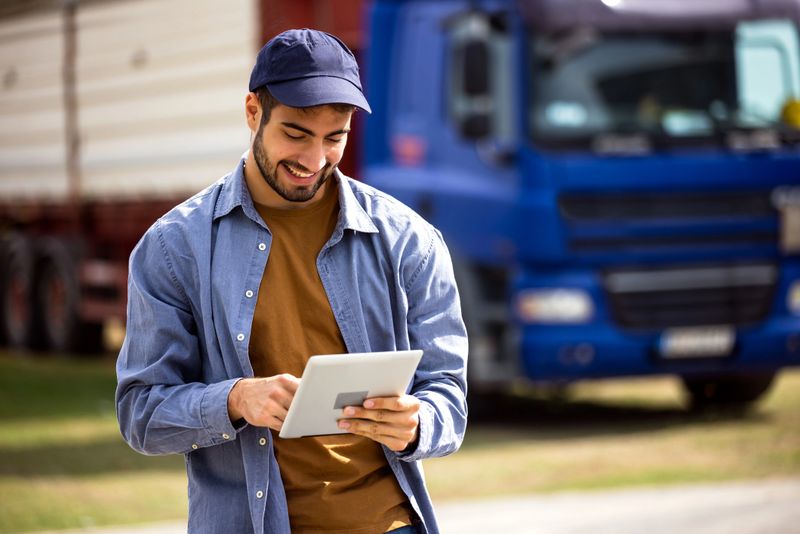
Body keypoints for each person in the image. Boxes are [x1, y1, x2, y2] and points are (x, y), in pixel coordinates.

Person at [115, 28, 468, 534]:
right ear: (253, 112)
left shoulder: (409, 239)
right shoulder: (174, 247)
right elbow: (140, 414)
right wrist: (235, 400)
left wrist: (418, 424)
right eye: (297, 134)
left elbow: (448, 395)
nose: (314, 160)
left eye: (335, 138)